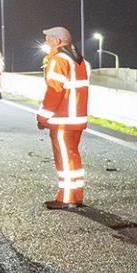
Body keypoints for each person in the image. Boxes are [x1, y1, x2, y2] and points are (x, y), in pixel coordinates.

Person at [38, 26, 89, 209]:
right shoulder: (79, 61)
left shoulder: (58, 60)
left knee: (65, 160)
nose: (45, 42)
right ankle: (76, 195)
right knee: (73, 157)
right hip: (77, 118)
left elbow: (54, 92)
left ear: (57, 41)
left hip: (63, 119)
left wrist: (43, 116)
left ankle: (67, 199)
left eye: (47, 39)